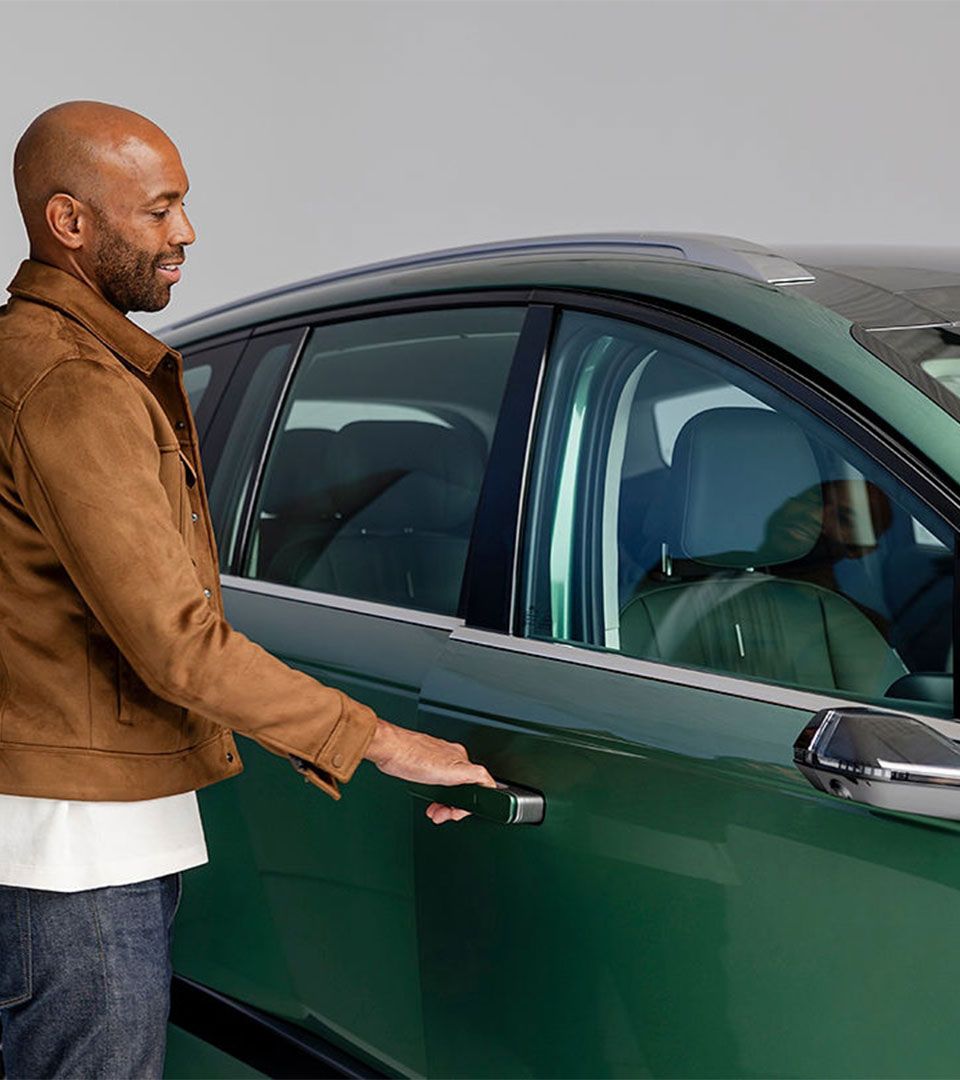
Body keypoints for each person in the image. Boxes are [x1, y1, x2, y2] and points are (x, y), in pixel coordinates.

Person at [0, 100, 495, 1080]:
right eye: (158, 210)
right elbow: (176, 641)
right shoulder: (73, 385)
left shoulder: (45, 362)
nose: (185, 232)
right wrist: (384, 741)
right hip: (79, 857)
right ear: (70, 223)